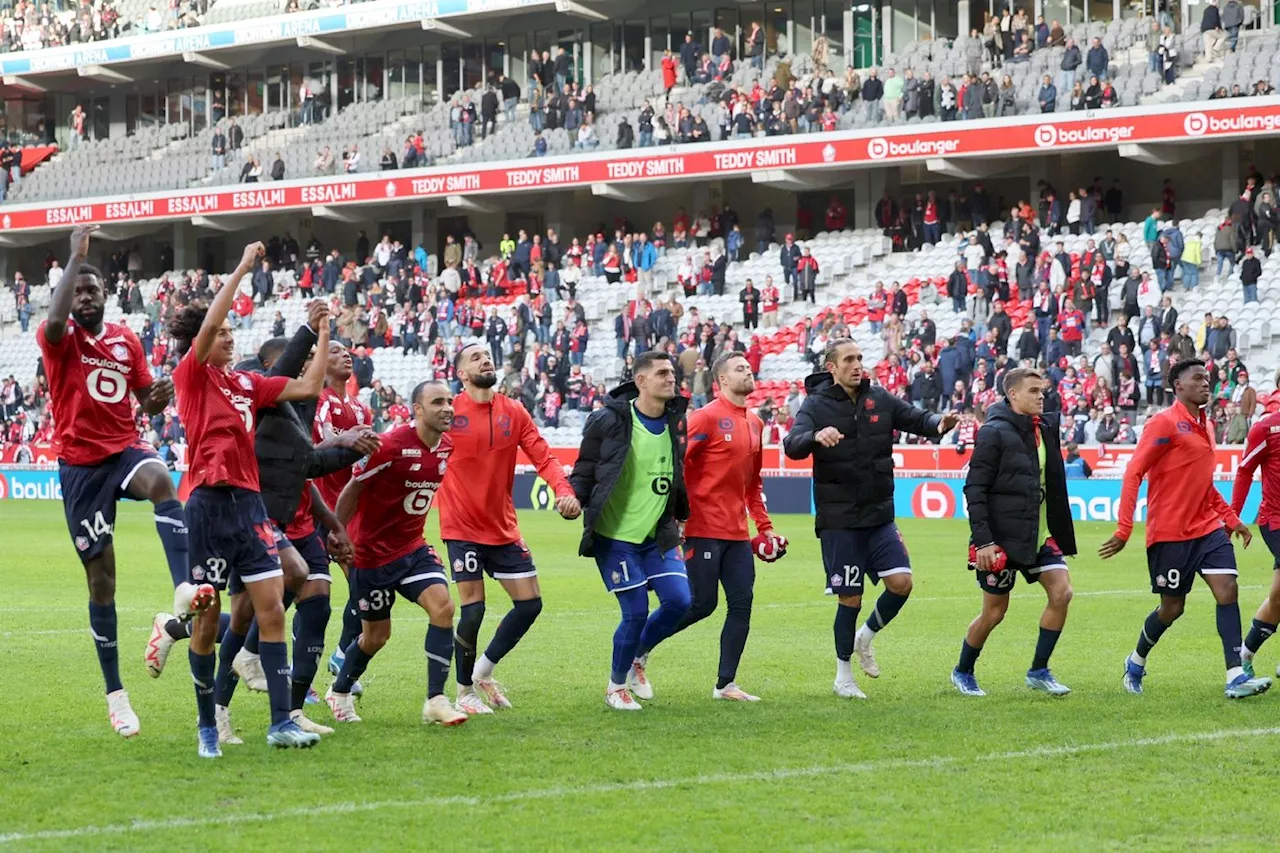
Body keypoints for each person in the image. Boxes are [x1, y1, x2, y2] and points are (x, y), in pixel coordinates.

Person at [38, 224, 204, 739]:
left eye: (94, 290)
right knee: (102, 581)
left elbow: (144, 399)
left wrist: (154, 398)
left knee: (160, 480)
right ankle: (116, 694)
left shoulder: (125, 339)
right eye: (79, 291)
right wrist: (75, 258)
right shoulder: (57, 338)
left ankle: (181, 585)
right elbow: (57, 318)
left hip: (124, 451)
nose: (86, 298)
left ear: (108, 296)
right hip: (81, 468)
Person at [169, 241, 331, 757]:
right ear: (202, 340)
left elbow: (306, 388)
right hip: (208, 507)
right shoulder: (191, 378)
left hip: (251, 508)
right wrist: (240, 268)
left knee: (272, 611)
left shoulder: (246, 383)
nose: (228, 336)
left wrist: (323, 331)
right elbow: (213, 318)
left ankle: (281, 721)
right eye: (220, 333)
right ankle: (206, 724)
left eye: (231, 333)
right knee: (209, 619)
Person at [209, 330, 379, 744]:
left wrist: (331, 521)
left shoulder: (304, 402)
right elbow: (309, 458)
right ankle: (217, 709)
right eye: (308, 359)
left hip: (299, 521)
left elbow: (304, 468)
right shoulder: (261, 401)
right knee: (251, 617)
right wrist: (342, 442)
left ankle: (292, 712)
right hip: (259, 518)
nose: (313, 366)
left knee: (315, 605)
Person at [783, 339, 958, 698]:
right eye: (849, 359)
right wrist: (815, 436)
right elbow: (792, 443)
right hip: (840, 519)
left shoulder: (879, 397)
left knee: (902, 583)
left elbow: (917, 419)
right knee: (850, 598)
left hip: (879, 516)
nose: (857, 364)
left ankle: (865, 637)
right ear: (831, 367)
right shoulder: (815, 405)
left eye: (860, 358)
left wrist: (940, 422)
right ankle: (843, 676)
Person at [1100, 359, 1271, 699]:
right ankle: (1136, 661)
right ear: (1178, 386)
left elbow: (1204, 486)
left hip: (1207, 528)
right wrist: (1124, 528)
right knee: (1172, 609)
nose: (1205, 383)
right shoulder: (1163, 424)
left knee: (1227, 589)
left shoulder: (1206, 426)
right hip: (1170, 533)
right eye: (1197, 378)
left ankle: (1235, 675)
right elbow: (1134, 472)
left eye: (1207, 378)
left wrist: (1231, 519)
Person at [439, 344, 582, 715]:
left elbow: (543, 456)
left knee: (530, 604)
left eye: (487, 355)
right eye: (475, 358)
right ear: (461, 374)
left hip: (502, 527)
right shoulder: (448, 411)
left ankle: (483, 672)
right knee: (472, 611)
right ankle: (463, 692)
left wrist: (564, 491)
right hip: (461, 526)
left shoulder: (513, 410)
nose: (485, 360)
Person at [643, 353, 785, 701]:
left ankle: (725, 685)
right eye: (739, 369)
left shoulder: (755, 423)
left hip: (737, 533)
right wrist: (674, 517)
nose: (747, 372)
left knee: (741, 604)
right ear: (721, 380)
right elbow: (676, 464)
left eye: (748, 368)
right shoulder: (705, 418)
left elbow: (753, 483)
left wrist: (764, 529)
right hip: (702, 528)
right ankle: (638, 650)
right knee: (699, 605)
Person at [326, 380, 468, 727]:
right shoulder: (388, 445)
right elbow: (352, 489)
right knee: (376, 637)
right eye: (438, 402)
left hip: (412, 547)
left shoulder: (446, 447)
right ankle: (339, 691)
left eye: (449, 401)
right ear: (417, 409)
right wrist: (337, 532)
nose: (447, 408)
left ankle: (436, 698)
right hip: (370, 555)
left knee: (444, 607)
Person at [570, 351, 693, 710]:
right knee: (636, 611)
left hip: (657, 534)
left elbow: (675, 473)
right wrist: (574, 499)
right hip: (615, 537)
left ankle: (639, 654)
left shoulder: (675, 420)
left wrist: (680, 515)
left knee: (680, 601)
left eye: (672, 372)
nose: (671, 378)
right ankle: (615, 687)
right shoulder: (608, 420)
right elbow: (586, 468)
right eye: (662, 373)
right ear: (640, 381)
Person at [952, 368, 1077, 697]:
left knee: (1062, 593)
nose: (1040, 396)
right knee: (994, 613)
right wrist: (984, 542)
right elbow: (974, 488)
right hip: (1001, 540)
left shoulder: (1044, 428)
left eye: (1042, 391)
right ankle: (963, 670)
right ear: (1013, 395)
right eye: (1033, 391)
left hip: (1038, 534)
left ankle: (1039, 670)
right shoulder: (993, 433)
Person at [317, 350, 376, 688]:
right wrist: (344, 440)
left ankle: (340, 654)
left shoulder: (359, 406)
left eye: (347, 352)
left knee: (362, 585)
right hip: (319, 508)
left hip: (348, 512)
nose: (345, 356)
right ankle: (308, 666)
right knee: (311, 595)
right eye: (335, 352)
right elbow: (316, 448)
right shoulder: (322, 402)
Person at [1231, 408, 1280, 677]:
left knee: (1278, 597)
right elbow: (1245, 470)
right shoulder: (1267, 428)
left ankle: (1246, 655)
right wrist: (1232, 516)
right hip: (1276, 521)